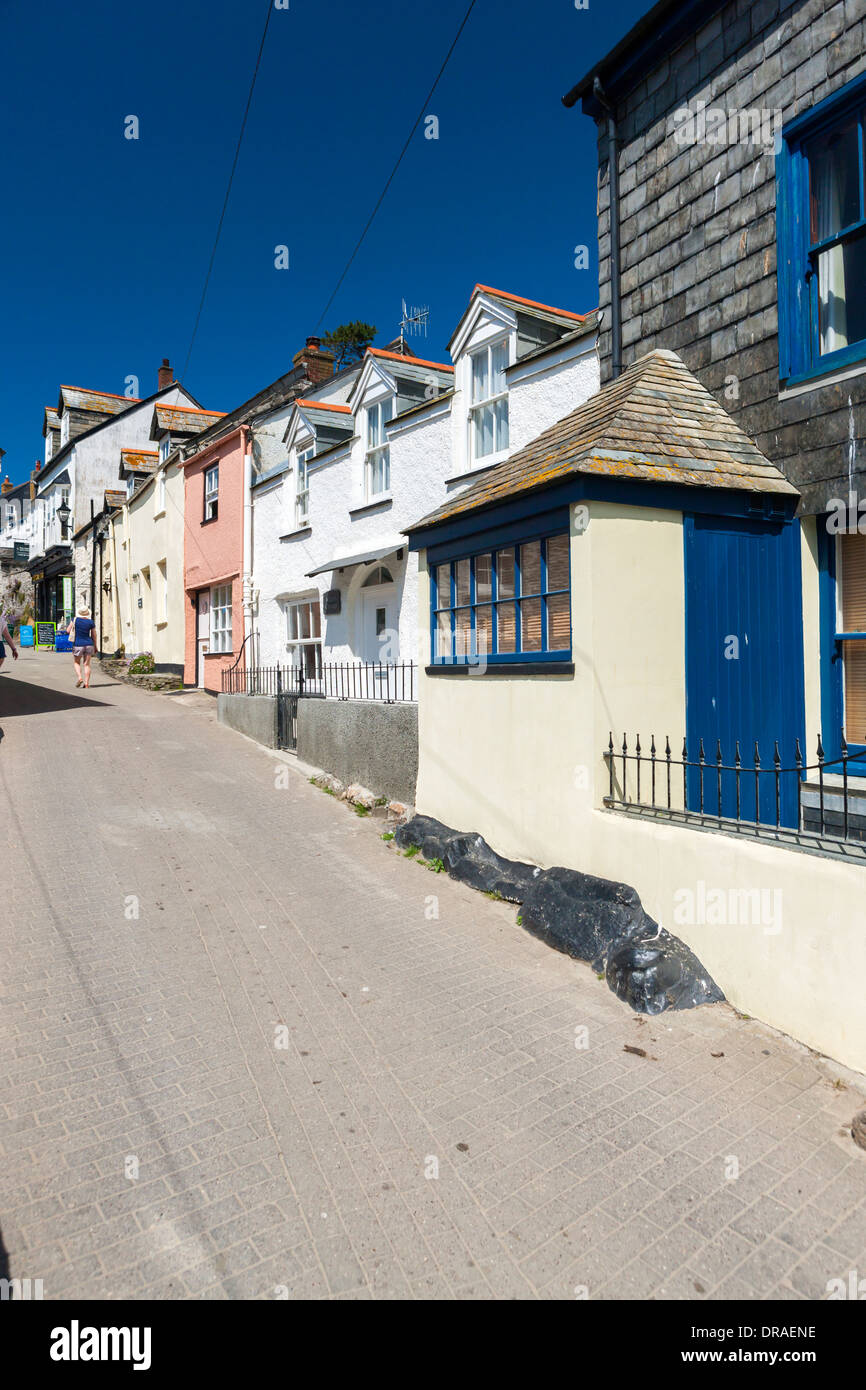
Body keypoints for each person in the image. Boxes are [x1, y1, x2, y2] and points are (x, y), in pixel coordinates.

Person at [67, 606, 96, 688]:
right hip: (89, 644)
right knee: (87, 664)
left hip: (78, 644)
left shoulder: (75, 620)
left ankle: (80, 678)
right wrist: (95, 645)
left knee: (76, 662)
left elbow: (68, 631)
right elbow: (94, 635)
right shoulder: (91, 622)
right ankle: (86, 683)